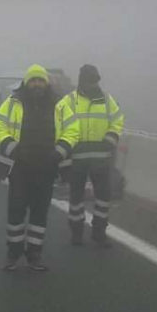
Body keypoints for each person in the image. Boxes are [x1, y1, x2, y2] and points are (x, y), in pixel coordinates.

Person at [0, 64, 79, 271]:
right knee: (16, 211)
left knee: (40, 213)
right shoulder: (13, 102)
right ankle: (13, 253)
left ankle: (34, 254)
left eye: (40, 80)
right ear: (26, 82)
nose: (37, 84)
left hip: (46, 167)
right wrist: (13, 149)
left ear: (46, 83)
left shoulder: (60, 105)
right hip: (20, 167)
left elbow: (72, 130)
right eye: (33, 80)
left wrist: (59, 152)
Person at [58, 64, 125, 247]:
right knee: (76, 200)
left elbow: (117, 120)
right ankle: (77, 233)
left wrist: (110, 139)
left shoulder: (106, 100)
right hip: (76, 160)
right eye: (88, 80)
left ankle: (99, 233)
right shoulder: (69, 101)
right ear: (81, 81)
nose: (92, 84)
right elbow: (59, 126)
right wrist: (64, 157)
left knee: (103, 198)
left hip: (101, 160)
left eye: (94, 80)